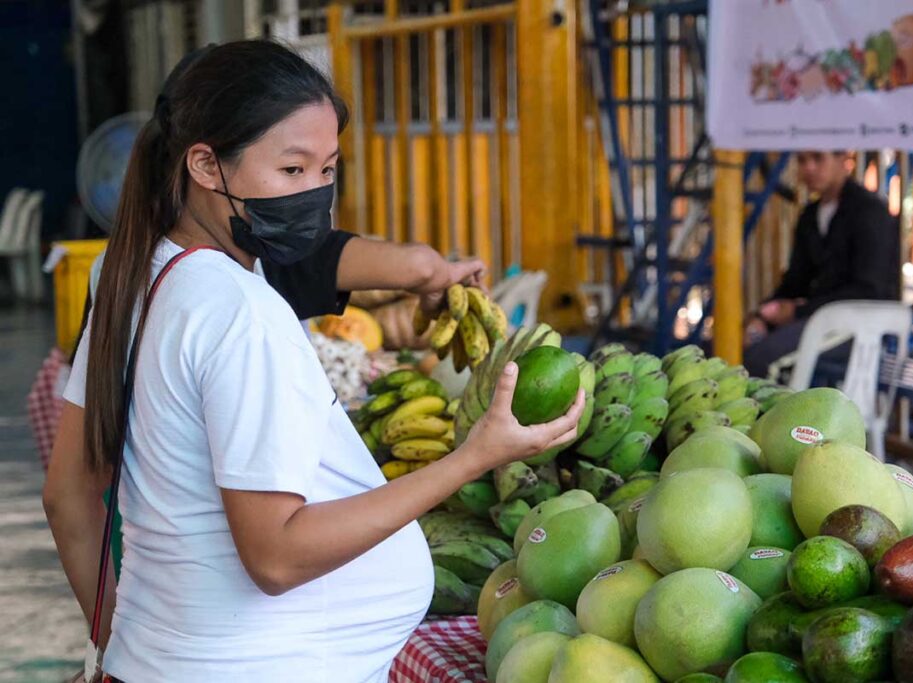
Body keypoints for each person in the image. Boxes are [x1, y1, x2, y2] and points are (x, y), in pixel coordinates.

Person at [43, 40, 584, 682]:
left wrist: (117, 652)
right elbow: (276, 555)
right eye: (292, 170)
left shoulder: (130, 270)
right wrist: (473, 458)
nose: (315, 193)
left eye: (327, 169)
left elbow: (66, 498)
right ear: (206, 165)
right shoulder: (240, 312)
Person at [743, 150, 900, 379]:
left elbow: (869, 289)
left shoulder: (870, 211)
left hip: (863, 325)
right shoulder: (810, 216)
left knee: (762, 358)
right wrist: (761, 315)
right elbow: (795, 280)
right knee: (733, 342)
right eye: (802, 160)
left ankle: (773, 415)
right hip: (819, 319)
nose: (809, 168)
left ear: (843, 160)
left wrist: (798, 310)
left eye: (818, 158)